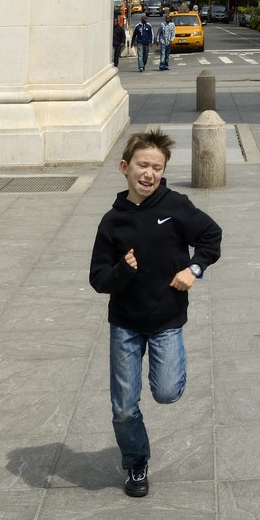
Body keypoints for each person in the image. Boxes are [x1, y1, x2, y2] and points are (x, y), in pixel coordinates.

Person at [89, 127, 222, 496]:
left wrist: (193, 269)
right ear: (124, 167)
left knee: (165, 392)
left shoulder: (175, 206)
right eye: (142, 165)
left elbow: (212, 236)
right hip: (126, 325)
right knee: (124, 408)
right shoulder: (112, 222)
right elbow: (98, 279)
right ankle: (135, 462)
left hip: (166, 319)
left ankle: (171, 368)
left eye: (157, 167)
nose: (149, 174)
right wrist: (122, 271)